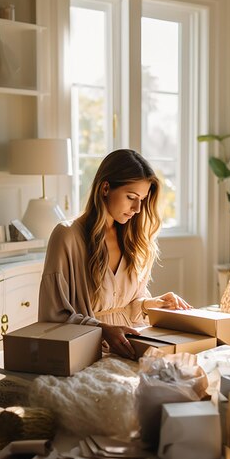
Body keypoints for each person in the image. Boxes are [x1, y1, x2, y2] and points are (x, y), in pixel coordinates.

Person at [38, 148, 191, 359]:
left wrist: (150, 304)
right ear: (105, 188)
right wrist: (102, 329)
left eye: (143, 200)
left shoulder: (134, 238)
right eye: (131, 197)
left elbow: (127, 307)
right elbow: (52, 317)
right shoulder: (67, 236)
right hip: (87, 353)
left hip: (132, 348)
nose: (137, 208)